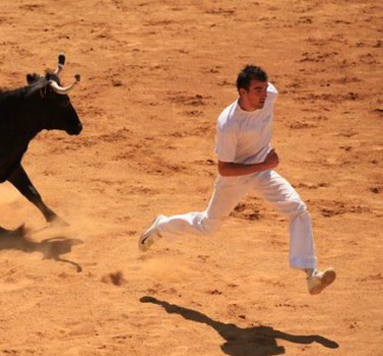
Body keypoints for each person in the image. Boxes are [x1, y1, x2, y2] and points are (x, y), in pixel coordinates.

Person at [138, 65, 336, 295]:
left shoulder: (270, 95)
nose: (264, 94)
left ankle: (311, 275)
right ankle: (161, 226)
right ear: (242, 92)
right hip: (235, 179)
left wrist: (264, 166)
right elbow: (224, 169)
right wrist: (265, 164)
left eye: (265, 88)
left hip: (263, 172)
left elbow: (268, 93)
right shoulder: (229, 123)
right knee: (207, 227)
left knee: (297, 209)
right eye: (257, 90)